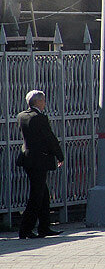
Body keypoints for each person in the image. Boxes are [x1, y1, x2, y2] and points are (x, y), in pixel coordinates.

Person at [17, 90, 64, 239]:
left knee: (43, 194)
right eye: (43, 100)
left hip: (27, 158)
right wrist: (59, 155)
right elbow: (49, 138)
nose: (44, 103)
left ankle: (44, 227)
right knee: (36, 196)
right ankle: (25, 229)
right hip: (39, 161)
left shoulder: (22, 116)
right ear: (38, 102)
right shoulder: (40, 118)